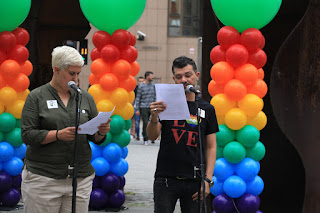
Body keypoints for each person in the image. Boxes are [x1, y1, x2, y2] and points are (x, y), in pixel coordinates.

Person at [21, 46, 111, 213]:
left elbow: (93, 136)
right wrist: (57, 135)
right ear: (57, 70)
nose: (76, 78)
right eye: (71, 73)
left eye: (78, 73)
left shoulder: (85, 97)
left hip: (80, 178)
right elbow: (27, 135)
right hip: (44, 178)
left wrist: (101, 132)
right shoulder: (37, 96)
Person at [147, 56, 219, 213]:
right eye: (179, 77)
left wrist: (207, 179)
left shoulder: (207, 109)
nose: (184, 80)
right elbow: (152, 136)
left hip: (195, 180)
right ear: (174, 79)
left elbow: (211, 146)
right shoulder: (164, 103)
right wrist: (153, 117)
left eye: (188, 75)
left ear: (197, 76)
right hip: (166, 178)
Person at [135, 71, 156, 145]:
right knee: (145, 123)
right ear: (147, 76)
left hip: (152, 106)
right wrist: (137, 109)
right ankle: (145, 138)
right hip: (143, 107)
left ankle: (152, 137)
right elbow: (138, 98)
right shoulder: (141, 86)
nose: (152, 77)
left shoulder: (153, 85)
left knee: (153, 122)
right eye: (151, 76)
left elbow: (155, 96)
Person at [130, 76, 145, 140]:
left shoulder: (145, 88)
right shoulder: (135, 89)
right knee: (136, 122)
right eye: (139, 81)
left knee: (145, 122)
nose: (141, 83)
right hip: (136, 107)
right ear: (137, 82)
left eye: (142, 81)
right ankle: (137, 135)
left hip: (144, 106)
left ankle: (144, 135)